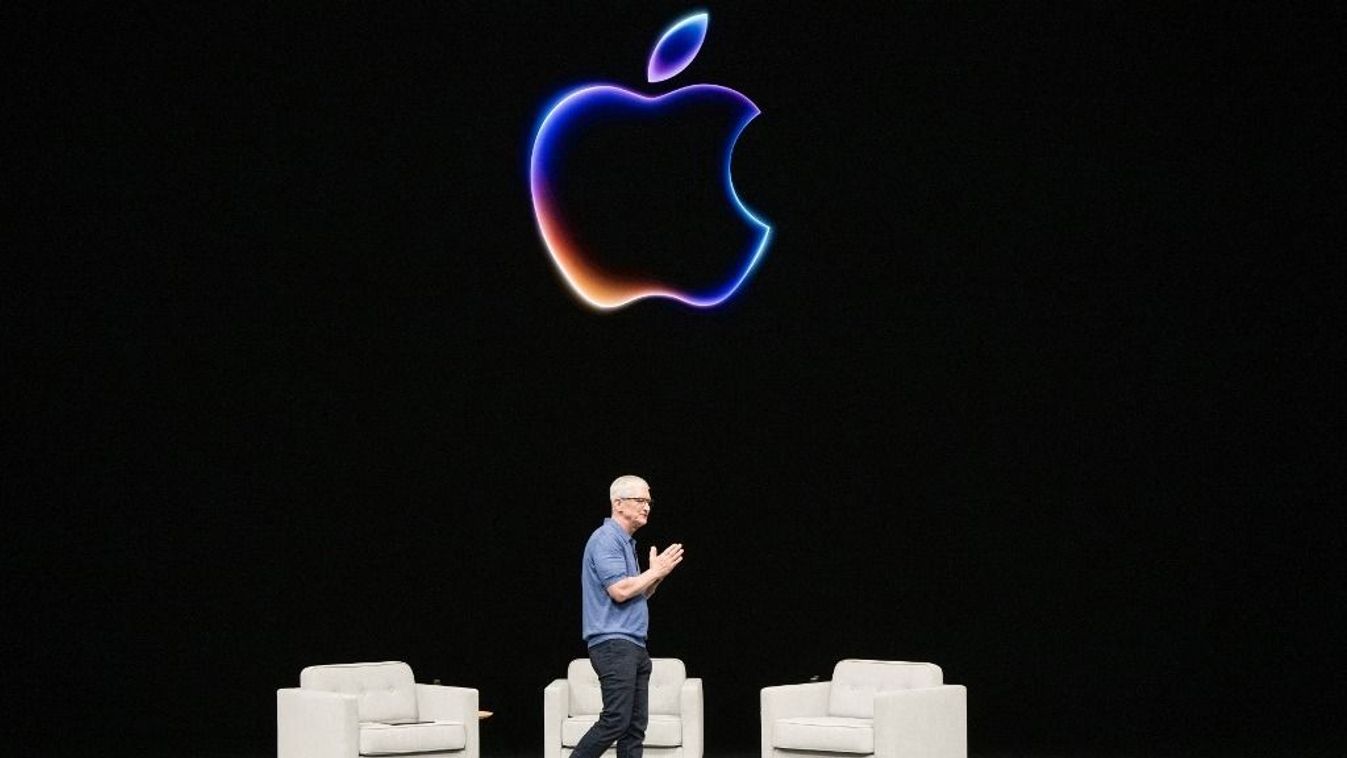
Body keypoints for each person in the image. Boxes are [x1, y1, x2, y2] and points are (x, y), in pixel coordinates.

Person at [572, 474, 685, 758]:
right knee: (616, 721)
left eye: (649, 501)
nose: (647, 506)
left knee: (634, 729)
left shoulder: (626, 543)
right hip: (613, 644)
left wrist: (655, 578)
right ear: (618, 503)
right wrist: (654, 572)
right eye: (640, 500)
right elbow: (620, 591)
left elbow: (636, 593)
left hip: (634, 645)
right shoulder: (605, 539)